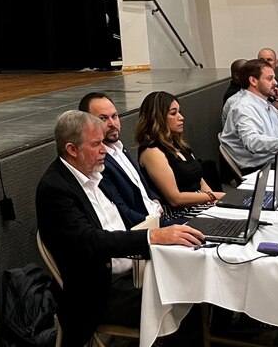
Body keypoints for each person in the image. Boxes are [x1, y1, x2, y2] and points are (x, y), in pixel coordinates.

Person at [35, 111, 204, 347]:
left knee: (195, 274)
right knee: (186, 294)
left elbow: (120, 220)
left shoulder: (95, 174)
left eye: (103, 142)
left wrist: (162, 229)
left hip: (132, 270)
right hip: (98, 293)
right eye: (96, 144)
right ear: (72, 150)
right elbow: (91, 241)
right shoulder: (55, 189)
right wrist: (152, 237)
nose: (104, 150)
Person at [78, 91, 164, 225]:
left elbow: (139, 184)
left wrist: (154, 199)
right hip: (145, 229)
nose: (112, 123)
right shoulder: (98, 162)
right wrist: (155, 222)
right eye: (103, 118)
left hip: (159, 216)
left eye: (114, 116)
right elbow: (121, 212)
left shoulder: (119, 147)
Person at [136, 91, 224, 211]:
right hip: (178, 213)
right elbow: (175, 199)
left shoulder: (180, 146)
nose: (181, 117)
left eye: (179, 112)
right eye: (173, 113)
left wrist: (214, 201)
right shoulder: (152, 151)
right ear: (158, 118)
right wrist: (215, 196)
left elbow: (201, 181)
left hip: (201, 205)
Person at [221, 59, 278, 171]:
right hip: (259, 168)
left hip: (274, 159)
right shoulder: (243, 107)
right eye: (270, 79)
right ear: (253, 81)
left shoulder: (265, 103)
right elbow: (253, 142)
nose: (275, 82)